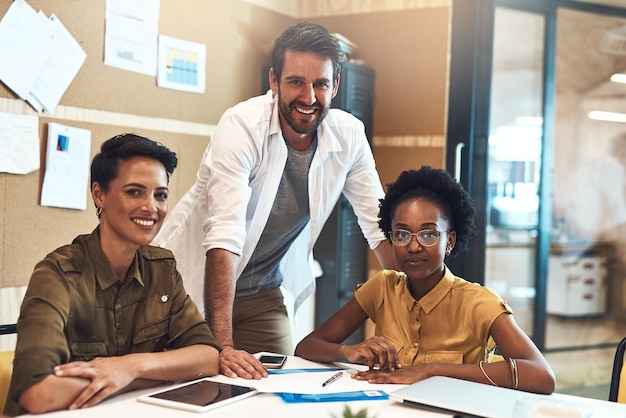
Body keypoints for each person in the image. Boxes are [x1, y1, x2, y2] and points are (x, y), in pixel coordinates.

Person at [154, 21, 395, 380]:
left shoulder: (349, 136)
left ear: (336, 86)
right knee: (197, 387)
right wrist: (222, 347)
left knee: (282, 390)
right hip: (188, 289)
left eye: (321, 84)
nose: (309, 97)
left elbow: (380, 227)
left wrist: (433, 294)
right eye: (296, 81)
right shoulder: (241, 126)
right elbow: (224, 234)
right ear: (273, 81)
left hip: (261, 292)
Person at [4, 134, 220, 416]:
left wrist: (131, 367)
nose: (151, 207)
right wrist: (142, 377)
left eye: (160, 195)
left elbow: (207, 356)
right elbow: (39, 394)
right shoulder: (58, 274)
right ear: (99, 194)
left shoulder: (162, 267)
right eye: (134, 192)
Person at [295, 166, 556, 394]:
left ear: (449, 241)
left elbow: (541, 376)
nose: (414, 246)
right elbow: (306, 347)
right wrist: (348, 352)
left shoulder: (479, 302)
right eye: (402, 234)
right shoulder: (382, 287)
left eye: (429, 234)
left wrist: (431, 370)